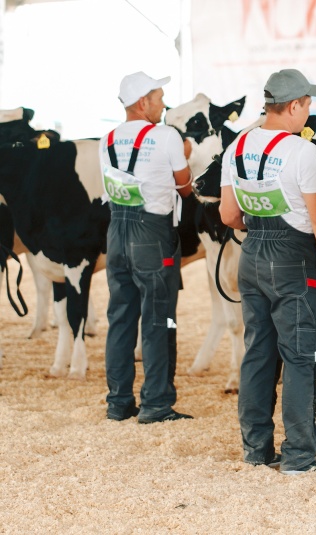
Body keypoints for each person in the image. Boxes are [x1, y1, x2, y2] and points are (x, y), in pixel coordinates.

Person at [219, 68, 316, 474]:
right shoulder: (301, 152)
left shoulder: (237, 147)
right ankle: (298, 455)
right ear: (294, 106)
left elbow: (228, 215)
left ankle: (256, 449)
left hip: (253, 255)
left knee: (258, 353)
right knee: (299, 357)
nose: (309, 112)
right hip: (294, 262)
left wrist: (259, 223)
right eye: (308, 104)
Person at [101, 71, 193, 423]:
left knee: (121, 318)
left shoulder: (106, 138)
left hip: (117, 229)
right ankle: (156, 404)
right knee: (159, 318)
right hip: (152, 234)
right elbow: (184, 187)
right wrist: (183, 154)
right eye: (158, 98)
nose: (163, 104)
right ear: (143, 103)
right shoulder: (167, 136)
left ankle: (118, 402)